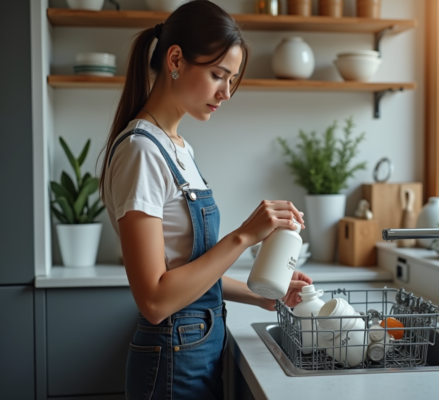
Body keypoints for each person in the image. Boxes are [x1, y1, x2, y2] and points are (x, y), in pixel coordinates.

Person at [97, 1, 312, 399]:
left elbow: (188, 272)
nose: (226, 92)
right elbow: (156, 299)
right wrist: (244, 236)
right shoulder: (141, 151)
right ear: (175, 58)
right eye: (218, 75)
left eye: (231, 80)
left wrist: (266, 294)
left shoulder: (178, 148)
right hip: (171, 359)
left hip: (196, 349)